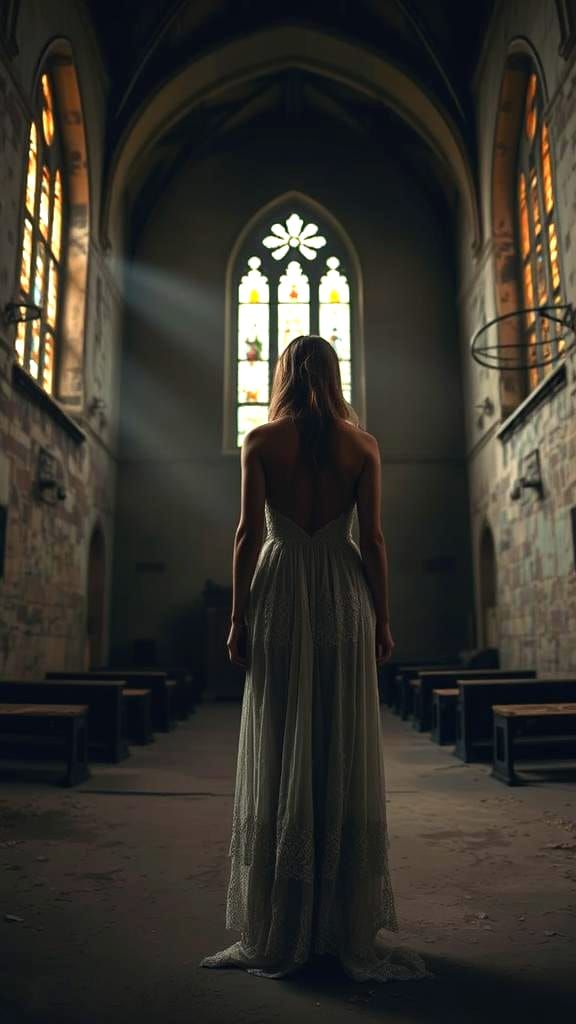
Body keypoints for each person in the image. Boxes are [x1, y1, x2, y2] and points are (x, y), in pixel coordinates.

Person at [199, 335, 431, 982]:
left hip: (279, 591)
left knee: (280, 731)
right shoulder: (364, 447)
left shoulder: (260, 441)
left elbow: (248, 534)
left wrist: (239, 615)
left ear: (282, 375)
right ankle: (338, 919)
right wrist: (383, 617)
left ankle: (282, 917)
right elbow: (375, 539)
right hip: (340, 593)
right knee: (338, 735)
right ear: (334, 376)